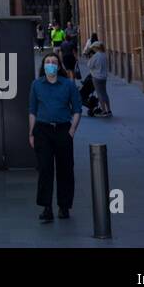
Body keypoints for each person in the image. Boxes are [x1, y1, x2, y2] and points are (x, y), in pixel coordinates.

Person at [28, 51, 81, 221]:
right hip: (42, 131)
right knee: (45, 169)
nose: (50, 64)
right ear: (43, 66)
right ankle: (46, 207)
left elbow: (77, 109)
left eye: (53, 62)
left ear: (58, 66)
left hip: (63, 130)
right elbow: (32, 111)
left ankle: (64, 206)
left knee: (65, 169)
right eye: (47, 61)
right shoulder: (36, 85)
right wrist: (31, 132)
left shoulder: (68, 85)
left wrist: (72, 130)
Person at [86, 41, 111, 117]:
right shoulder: (104, 55)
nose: (93, 49)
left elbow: (89, 65)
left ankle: (103, 111)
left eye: (93, 48)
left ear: (96, 48)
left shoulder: (96, 56)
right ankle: (109, 110)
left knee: (99, 94)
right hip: (104, 77)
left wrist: (90, 58)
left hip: (96, 77)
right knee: (104, 93)